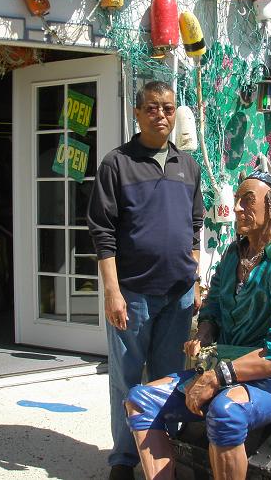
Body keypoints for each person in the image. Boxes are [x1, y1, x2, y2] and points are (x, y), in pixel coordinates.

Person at [124, 172, 271, 480]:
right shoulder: (233, 255)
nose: (237, 208)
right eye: (237, 200)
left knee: (226, 411)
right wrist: (204, 333)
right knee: (141, 400)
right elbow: (213, 307)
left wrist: (218, 377)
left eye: (247, 200)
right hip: (222, 366)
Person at [87, 81, 204, 480]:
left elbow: (195, 227)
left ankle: (163, 454)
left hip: (178, 295)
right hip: (133, 293)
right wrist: (112, 291)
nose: (161, 115)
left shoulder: (188, 166)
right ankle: (123, 459)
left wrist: (194, 276)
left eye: (168, 108)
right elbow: (102, 232)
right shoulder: (116, 164)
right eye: (152, 108)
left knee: (168, 380)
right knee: (126, 379)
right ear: (137, 113)